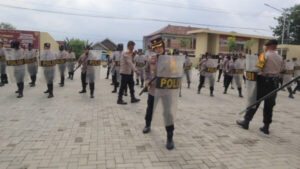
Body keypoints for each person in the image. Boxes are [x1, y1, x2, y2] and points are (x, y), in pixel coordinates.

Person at [143, 37, 183, 150]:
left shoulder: (171, 59)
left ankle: (170, 137)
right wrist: (146, 80)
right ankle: (147, 124)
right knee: (150, 109)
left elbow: (177, 73)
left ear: (163, 47)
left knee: (167, 113)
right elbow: (146, 71)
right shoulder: (151, 59)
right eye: (156, 48)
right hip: (153, 90)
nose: (158, 50)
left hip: (166, 91)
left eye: (160, 47)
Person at [236, 40, 283, 135]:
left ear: (268, 46)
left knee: (254, 102)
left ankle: (246, 122)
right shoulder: (280, 57)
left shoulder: (264, 55)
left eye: (265, 46)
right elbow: (282, 70)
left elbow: (258, 68)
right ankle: (266, 127)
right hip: (274, 84)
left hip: (263, 82)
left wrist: (248, 72)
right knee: (269, 105)